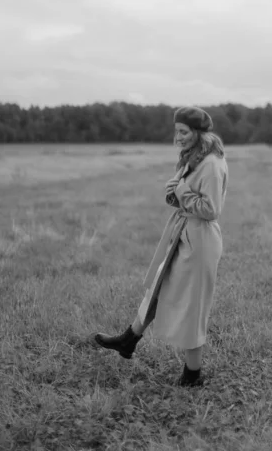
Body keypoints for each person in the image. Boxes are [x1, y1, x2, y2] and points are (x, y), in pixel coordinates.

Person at [94, 106, 229, 387]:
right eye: (176, 131)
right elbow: (187, 199)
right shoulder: (194, 158)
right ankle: (128, 340)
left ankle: (192, 375)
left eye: (183, 131)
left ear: (199, 133)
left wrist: (182, 192)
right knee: (158, 285)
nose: (177, 137)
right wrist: (174, 194)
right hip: (183, 234)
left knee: (193, 309)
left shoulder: (212, 164)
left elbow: (211, 209)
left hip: (200, 242)